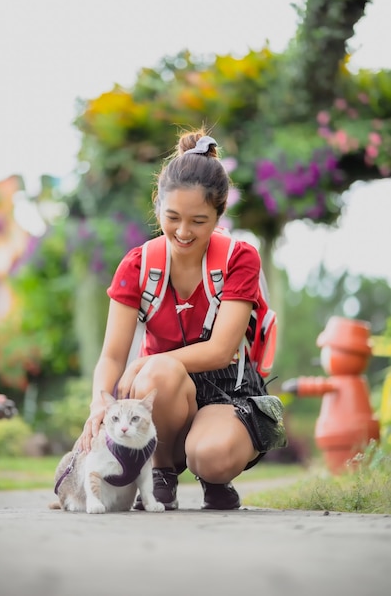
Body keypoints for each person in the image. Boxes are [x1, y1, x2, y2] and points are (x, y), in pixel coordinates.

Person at [79, 128, 283, 510]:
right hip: (164, 392)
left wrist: (143, 361)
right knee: (158, 374)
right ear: (158, 206)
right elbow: (111, 356)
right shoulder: (138, 265)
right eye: (172, 217)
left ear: (219, 215)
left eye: (199, 221)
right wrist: (98, 403)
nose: (183, 232)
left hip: (227, 389)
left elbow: (222, 350)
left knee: (212, 457)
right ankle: (161, 473)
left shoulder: (240, 258)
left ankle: (212, 477)